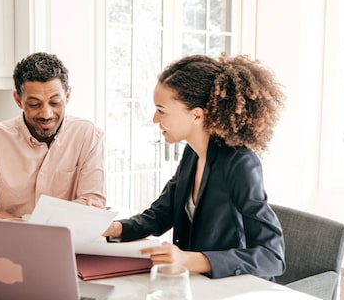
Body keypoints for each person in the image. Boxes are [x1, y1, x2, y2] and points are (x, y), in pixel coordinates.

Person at [103, 54, 286, 280]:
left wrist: (191, 260)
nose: (154, 119)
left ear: (197, 115)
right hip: (197, 285)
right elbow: (161, 214)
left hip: (232, 288)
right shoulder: (193, 153)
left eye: (161, 110)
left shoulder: (240, 163)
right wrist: (114, 228)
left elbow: (272, 256)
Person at [0, 52, 105, 220]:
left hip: (66, 244)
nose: (46, 114)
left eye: (54, 103)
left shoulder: (88, 136)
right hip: (7, 244)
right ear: (18, 100)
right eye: (34, 104)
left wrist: (17, 220)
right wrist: (66, 213)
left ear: (67, 96)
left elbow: (92, 208)